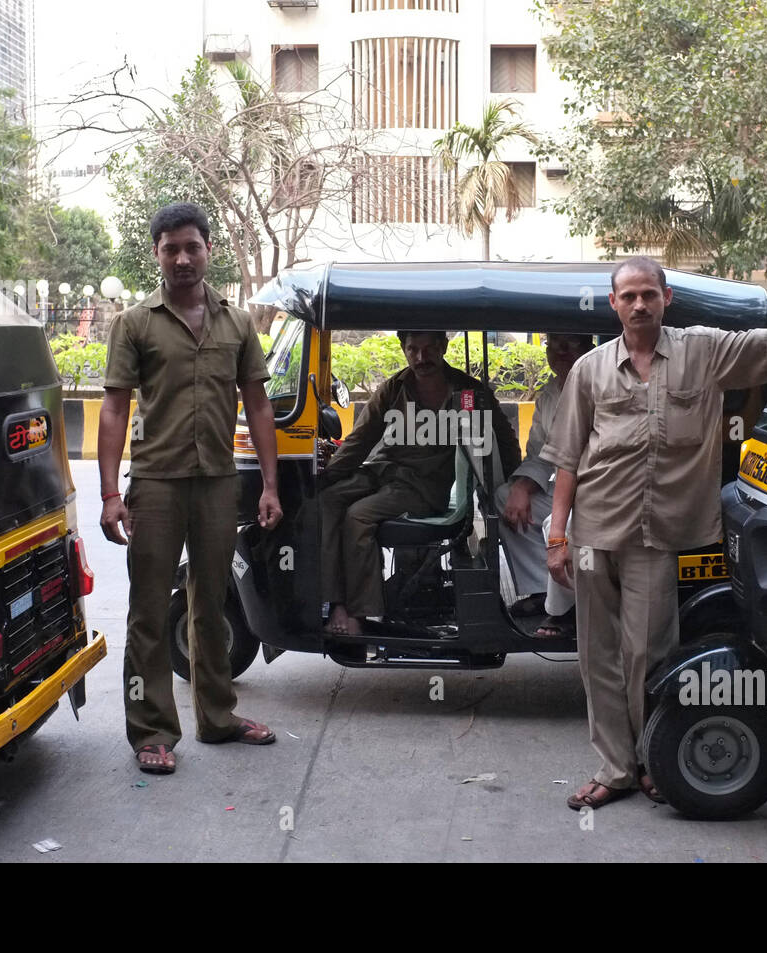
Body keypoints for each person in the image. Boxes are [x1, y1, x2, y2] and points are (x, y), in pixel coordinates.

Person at [542, 242, 767, 810]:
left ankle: (652, 758)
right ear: (613, 304)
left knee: (651, 654)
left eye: (648, 295)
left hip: (656, 537)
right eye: (628, 296)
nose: (639, 305)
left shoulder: (703, 352)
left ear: (667, 298)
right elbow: (566, 459)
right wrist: (558, 536)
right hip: (591, 531)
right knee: (598, 654)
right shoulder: (589, 370)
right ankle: (615, 768)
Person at [98, 202, 284, 775]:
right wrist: (110, 494)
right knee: (150, 611)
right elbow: (113, 408)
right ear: (156, 253)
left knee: (210, 603)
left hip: (217, 483)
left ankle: (218, 717)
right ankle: (152, 731)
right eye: (170, 248)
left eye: (192, 247)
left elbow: (257, 404)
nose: (182, 258)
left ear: (208, 249)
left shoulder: (237, 322)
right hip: (155, 484)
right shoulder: (134, 324)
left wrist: (270, 485)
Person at [322, 330, 521, 636]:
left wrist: (516, 484)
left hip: (423, 487)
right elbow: (360, 441)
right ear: (404, 350)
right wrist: (328, 476)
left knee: (357, 516)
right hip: (383, 472)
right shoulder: (394, 388)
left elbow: (504, 439)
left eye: (429, 349)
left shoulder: (467, 392)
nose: (420, 358)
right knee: (326, 500)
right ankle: (334, 600)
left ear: (443, 348)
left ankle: (362, 615)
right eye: (413, 349)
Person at [495, 332, 593, 637]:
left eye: (570, 343)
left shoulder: (596, 385)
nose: (560, 350)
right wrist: (523, 487)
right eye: (554, 343)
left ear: (588, 348)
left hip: (596, 488)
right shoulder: (549, 393)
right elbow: (539, 453)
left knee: (557, 524)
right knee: (504, 498)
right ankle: (542, 589)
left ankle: (567, 610)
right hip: (561, 484)